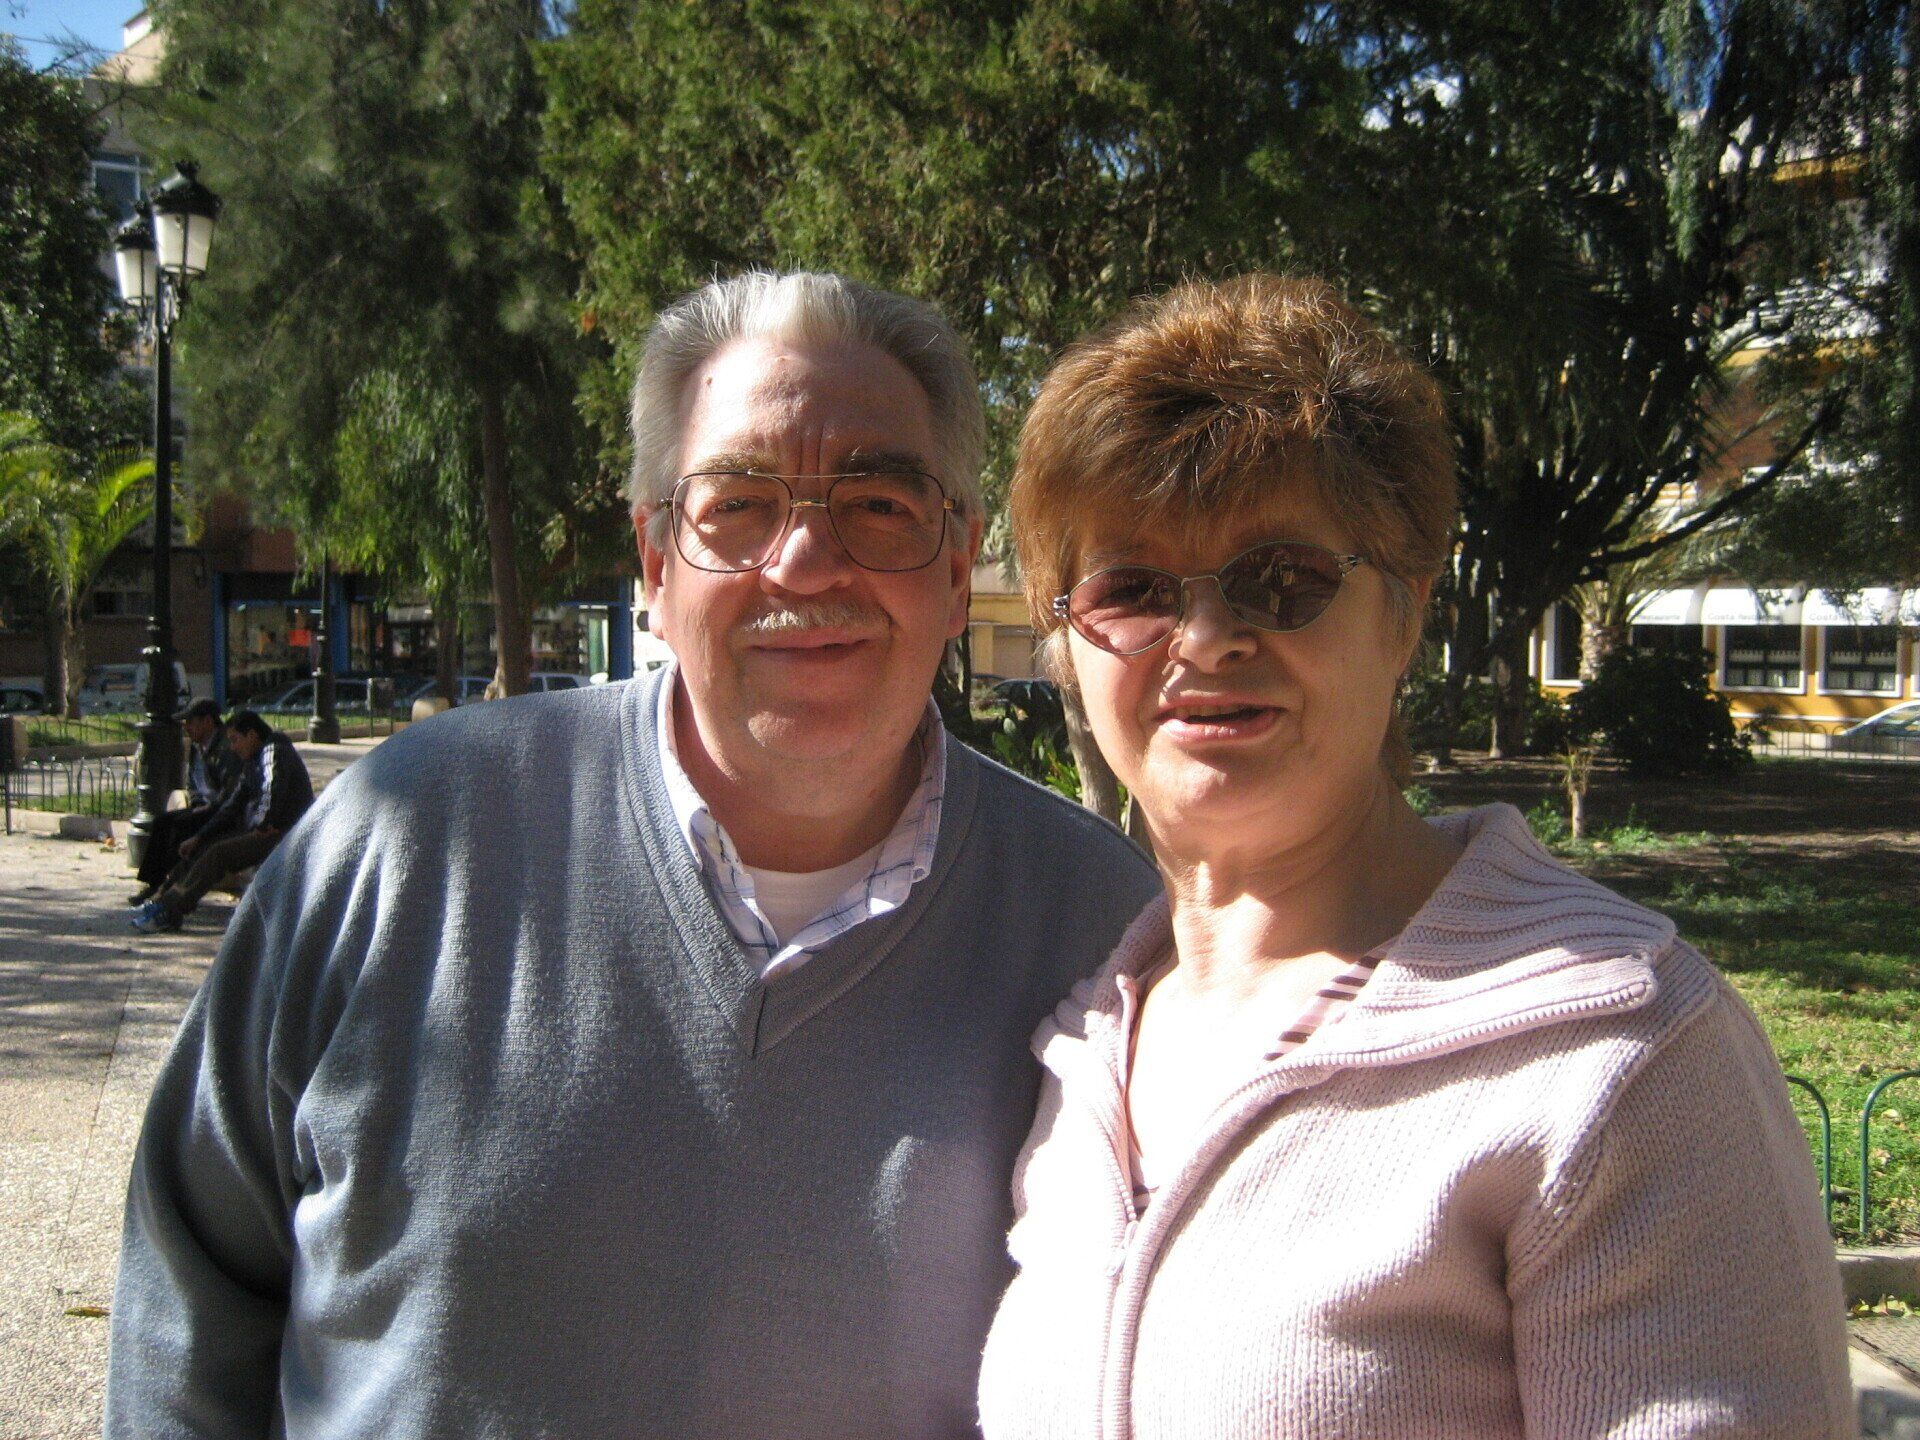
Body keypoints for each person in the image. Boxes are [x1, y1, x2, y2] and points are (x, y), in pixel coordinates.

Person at [106, 271, 1160, 1438]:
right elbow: (190, 1291)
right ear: (655, 560)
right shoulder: (405, 841)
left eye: (879, 503)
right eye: (737, 505)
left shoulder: (1105, 936)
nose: (805, 563)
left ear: (959, 565)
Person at [977, 275, 1854, 1439]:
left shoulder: (1621, 1057)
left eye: (1280, 579)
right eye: (1130, 589)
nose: (1204, 638)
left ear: (1404, 613)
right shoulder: (1085, 1048)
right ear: (1067, 642)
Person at [131, 709, 315, 935]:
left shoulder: (273, 750)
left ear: (252, 735)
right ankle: (162, 901)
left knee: (219, 854)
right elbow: (232, 805)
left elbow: (273, 789)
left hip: (285, 832)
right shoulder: (251, 762)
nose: (233, 747)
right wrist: (199, 837)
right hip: (266, 828)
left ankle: (169, 911)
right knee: (202, 848)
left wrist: (263, 825)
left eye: (235, 740)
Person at [128, 697, 242, 906]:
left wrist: (211, 807)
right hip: (203, 807)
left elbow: (232, 791)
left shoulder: (226, 747)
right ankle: (153, 883)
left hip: (222, 811)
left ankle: (169, 888)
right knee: (162, 822)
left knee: (181, 827)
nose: (186, 728)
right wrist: (198, 802)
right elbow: (192, 782)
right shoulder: (197, 747)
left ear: (207, 722)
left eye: (191, 722)